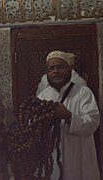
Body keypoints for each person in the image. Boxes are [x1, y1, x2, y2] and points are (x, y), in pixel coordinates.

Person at [37, 50, 100, 180]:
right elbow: (34, 128)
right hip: (52, 159)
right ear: (47, 73)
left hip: (78, 157)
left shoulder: (83, 93)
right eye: (51, 68)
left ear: (69, 69)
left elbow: (92, 123)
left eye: (60, 67)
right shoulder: (42, 96)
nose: (56, 71)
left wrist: (68, 116)